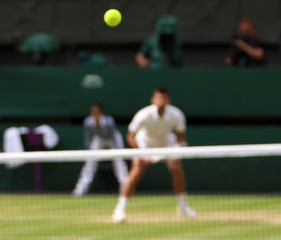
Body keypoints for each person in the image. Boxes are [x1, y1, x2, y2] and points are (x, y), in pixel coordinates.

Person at [112, 88, 195, 222]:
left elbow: (180, 137)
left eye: (164, 98)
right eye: (158, 98)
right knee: (136, 171)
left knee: (177, 169)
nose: (161, 101)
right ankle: (120, 209)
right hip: (144, 143)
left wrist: (175, 152)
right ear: (153, 100)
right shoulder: (144, 114)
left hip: (167, 143)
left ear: (168, 100)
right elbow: (130, 137)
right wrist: (143, 154)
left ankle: (183, 206)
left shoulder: (176, 114)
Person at [72, 103, 128, 197]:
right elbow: (88, 137)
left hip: (112, 140)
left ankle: (125, 189)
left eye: (96, 111)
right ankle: (79, 190)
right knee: (90, 163)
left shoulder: (109, 121)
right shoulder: (88, 122)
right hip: (98, 139)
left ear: (101, 112)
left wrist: (118, 150)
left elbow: (112, 135)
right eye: (92, 111)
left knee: (119, 163)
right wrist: (89, 149)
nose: (94, 113)